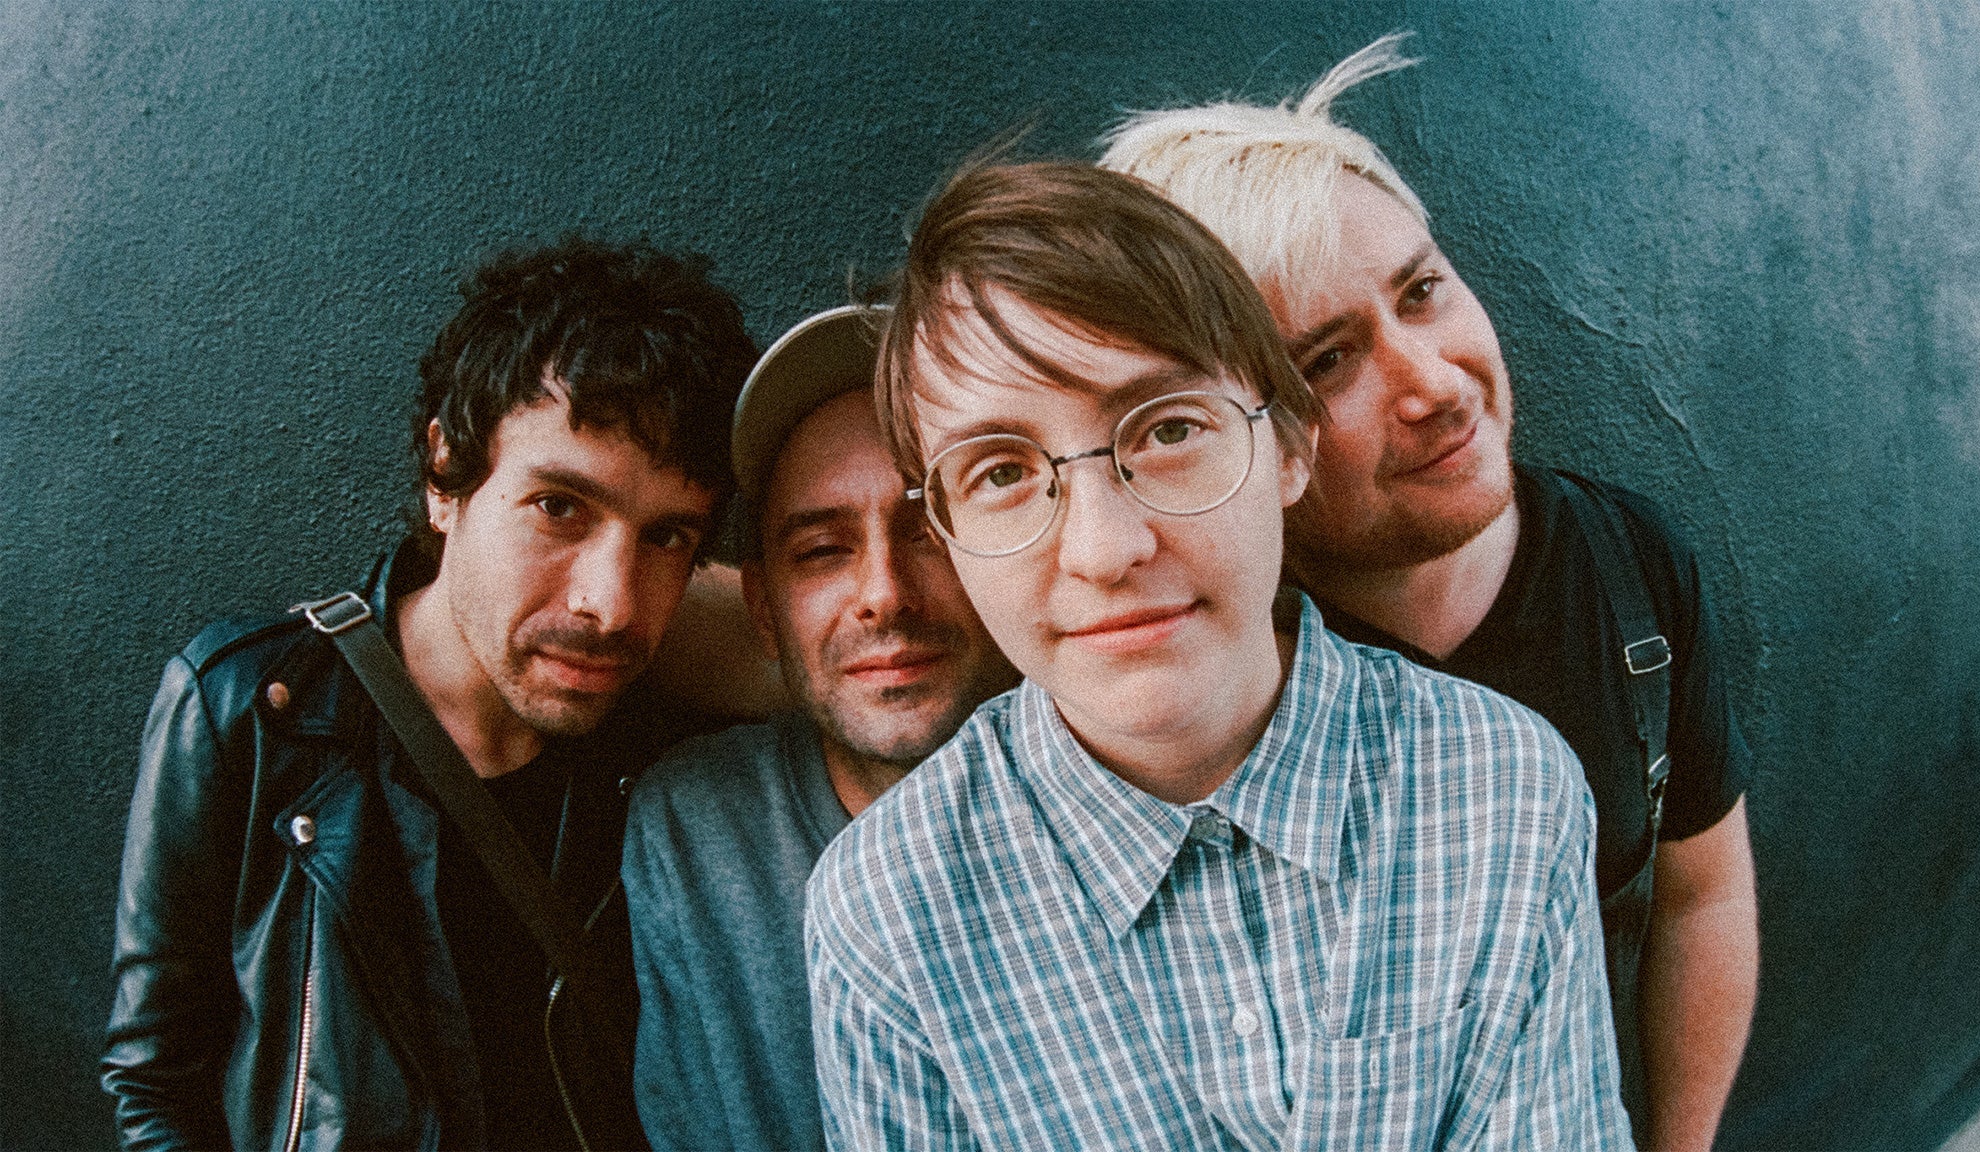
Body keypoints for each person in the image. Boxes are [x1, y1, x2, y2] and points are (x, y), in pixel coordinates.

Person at [806, 160, 1631, 1149]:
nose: (1104, 549)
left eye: (1168, 429)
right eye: (1000, 473)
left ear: (1289, 446)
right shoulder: (886, 919)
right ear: (946, 531)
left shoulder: (1502, 790)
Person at [1098, 34, 1759, 1151]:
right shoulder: (1190, 663)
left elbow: (1703, 897)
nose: (1432, 383)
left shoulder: (1629, 569)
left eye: (1421, 292)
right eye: (1327, 361)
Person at [101, 237, 756, 1151]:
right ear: (446, 472)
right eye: (559, 507)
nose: (610, 605)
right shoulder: (255, 709)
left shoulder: (663, 747)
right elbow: (154, 1080)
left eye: (668, 537)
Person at [623, 305, 1016, 1152]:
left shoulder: (1133, 782)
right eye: (822, 551)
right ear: (763, 609)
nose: (885, 594)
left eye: (929, 532)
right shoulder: (697, 830)